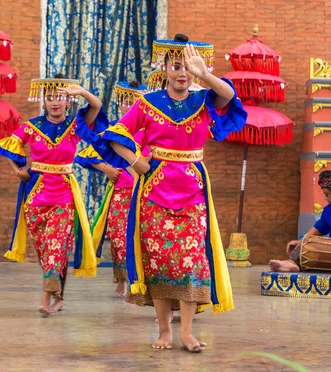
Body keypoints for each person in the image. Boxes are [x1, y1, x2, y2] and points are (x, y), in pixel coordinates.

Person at [96, 34, 247, 352]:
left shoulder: (203, 100)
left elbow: (229, 96)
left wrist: (204, 74)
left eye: (187, 67)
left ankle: (187, 333)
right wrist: (135, 161)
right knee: (160, 261)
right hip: (154, 191)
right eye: (175, 65)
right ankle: (164, 331)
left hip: (193, 191)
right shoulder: (147, 103)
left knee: (191, 261)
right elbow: (114, 135)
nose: (182, 72)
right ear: (163, 68)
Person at [0, 74, 106, 316]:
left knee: (57, 247)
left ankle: (46, 298)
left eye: (61, 97)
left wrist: (83, 92)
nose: (55, 102)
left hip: (64, 194)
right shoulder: (32, 126)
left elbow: (96, 106)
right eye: (50, 97)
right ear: (44, 101)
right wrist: (18, 171)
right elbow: (8, 147)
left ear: (69, 102)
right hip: (35, 194)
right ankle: (60, 297)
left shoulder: (76, 125)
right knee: (47, 251)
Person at [76, 80, 148, 297]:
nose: (128, 105)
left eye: (133, 101)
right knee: (118, 237)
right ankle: (123, 278)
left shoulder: (149, 129)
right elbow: (87, 155)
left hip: (144, 192)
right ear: (119, 103)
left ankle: (142, 280)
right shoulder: (114, 130)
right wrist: (106, 168)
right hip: (119, 192)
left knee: (142, 237)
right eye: (125, 101)